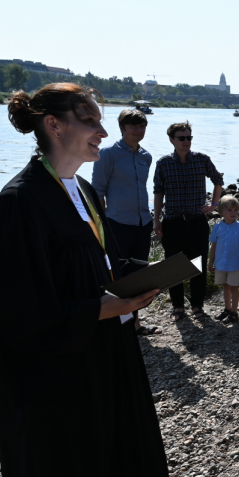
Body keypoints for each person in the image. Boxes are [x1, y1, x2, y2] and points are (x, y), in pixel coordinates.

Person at [0, 83, 178, 477]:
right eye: (90, 121)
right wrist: (101, 309)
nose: (103, 132)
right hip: (58, 383)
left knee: (113, 464)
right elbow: (15, 316)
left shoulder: (83, 192)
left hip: (105, 361)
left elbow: (97, 268)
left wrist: (145, 275)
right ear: (54, 125)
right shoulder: (17, 205)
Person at [91, 107, 158, 335]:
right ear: (122, 128)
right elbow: (97, 192)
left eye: (141, 126)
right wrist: (103, 225)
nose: (138, 130)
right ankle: (118, 323)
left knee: (139, 276)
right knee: (118, 276)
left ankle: (135, 323)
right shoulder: (107, 154)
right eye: (133, 126)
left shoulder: (146, 156)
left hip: (142, 222)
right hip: (117, 223)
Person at [153, 121, 224, 322]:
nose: (186, 141)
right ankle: (177, 306)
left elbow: (218, 180)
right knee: (173, 266)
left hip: (196, 221)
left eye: (189, 138)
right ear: (172, 140)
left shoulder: (202, 159)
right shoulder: (163, 163)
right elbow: (158, 192)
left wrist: (214, 204)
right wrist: (156, 219)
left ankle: (197, 306)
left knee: (197, 265)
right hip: (172, 221)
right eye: (181, 138)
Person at [209, 195, 239, 323]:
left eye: (235, 210)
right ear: (221, 212)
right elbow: (214, 245)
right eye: (229, 210)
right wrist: (211, 261)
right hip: (220, 263)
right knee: (225, 286)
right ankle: (227, 308)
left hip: (234, 264)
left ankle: (234, 312)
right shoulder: (217, 227)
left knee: (234, 287)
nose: (233, 213)